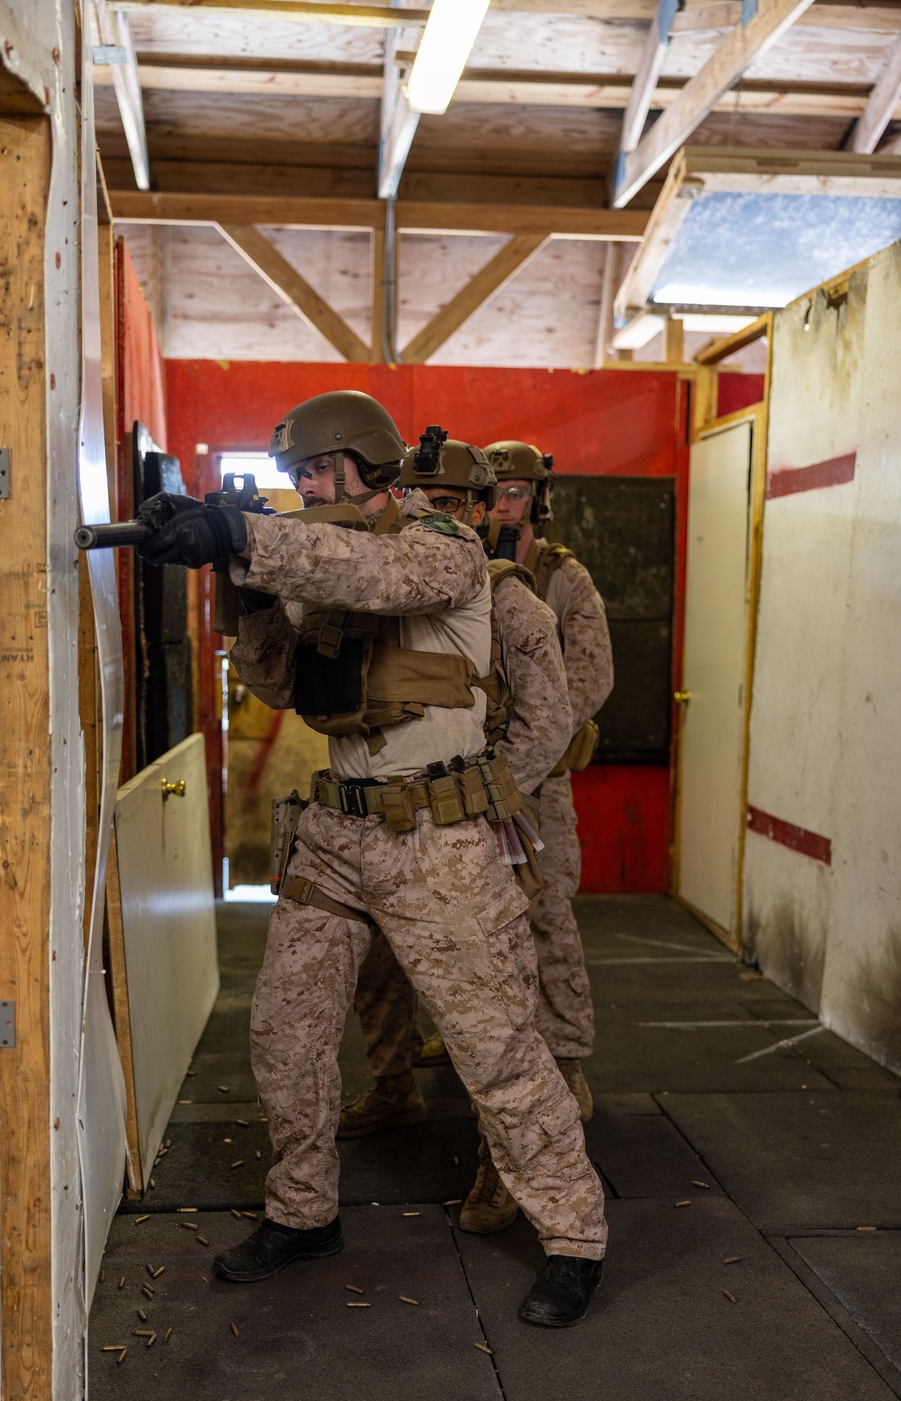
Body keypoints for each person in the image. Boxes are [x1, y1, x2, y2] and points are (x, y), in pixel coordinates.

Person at [137, 392, 607, 1327]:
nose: (306, 487)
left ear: (365, 462)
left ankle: (576, 1231)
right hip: (341, 833)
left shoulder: (442, 544)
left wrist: (249, 536)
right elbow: (276, 683)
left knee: (496, 1044)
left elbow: (381, 574)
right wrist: (249, 583)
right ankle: (302, 1210)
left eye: (317, 469)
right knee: (285, 1029)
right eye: (296, 476)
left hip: (437, 838)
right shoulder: (320, 561)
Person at [336, 431, 579, 1235]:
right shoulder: (392, 583)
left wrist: (484, 789)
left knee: (496, 1002)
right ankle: (394, 1081)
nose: (432, 518)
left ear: (479, 511)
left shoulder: (511, 594)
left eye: (450, 506)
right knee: (383, 968)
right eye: (421, 503)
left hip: (486, 816)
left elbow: (549, 717)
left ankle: (502, 1161)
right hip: (392, 827)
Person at [484, 439, 614, 1124]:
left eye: (517, 489)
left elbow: (590, 680)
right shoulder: (462, 562)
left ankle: (565, 1056)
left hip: (536, 782)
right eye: (495, 488)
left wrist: (523, 750)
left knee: (549, 916)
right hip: (472, 782)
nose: (505, 501)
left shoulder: (563, 578)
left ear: (538, 497)